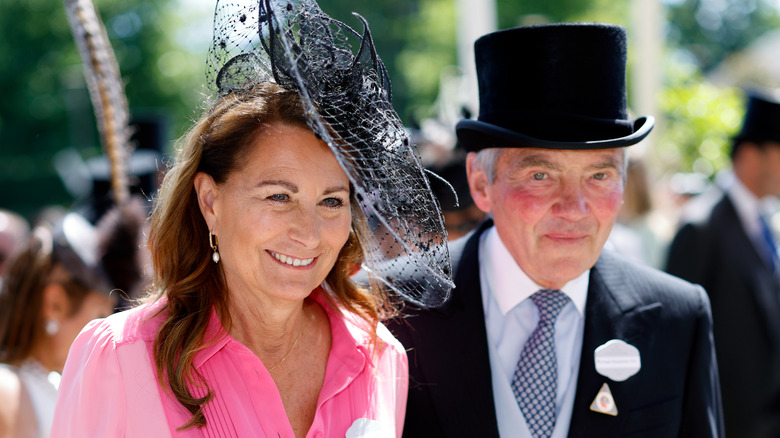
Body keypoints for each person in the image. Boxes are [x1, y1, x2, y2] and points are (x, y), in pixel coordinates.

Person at [51, 0, 452, 436]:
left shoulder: (380, 357)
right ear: (210, 201)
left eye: (332, 201)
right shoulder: (121, 358)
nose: (309, 232)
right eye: (279, 196)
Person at [387, 23, 723, 437]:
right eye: (541, 175)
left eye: (599, 175)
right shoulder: (387, 307)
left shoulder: (677, 318)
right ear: (480, 183)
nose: (574, 208)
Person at [666, 90, 780, 437]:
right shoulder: (700, 227)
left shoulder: (767, 223)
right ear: (750, 156)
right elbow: (674, 340)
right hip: (731, 423)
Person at [0, 207, 139, 438]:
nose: (106, 333)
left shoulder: (57, 386)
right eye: (99, 316)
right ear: (54, 304)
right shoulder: (8, 391)